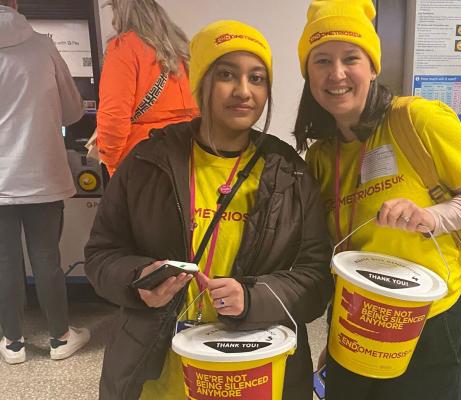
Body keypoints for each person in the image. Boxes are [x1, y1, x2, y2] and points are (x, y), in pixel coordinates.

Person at [84, 20, 333, 400]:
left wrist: (251, 299)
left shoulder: (289, 172)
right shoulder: (149, 162)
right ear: (201, 82)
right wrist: (139, 280)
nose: (243, 91)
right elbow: (101, 256)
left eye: (257, 78)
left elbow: (315, 278)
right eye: (226, 75)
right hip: (160, 375)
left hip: (255, 372)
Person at [293, 1, 461, 399]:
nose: (336, 74)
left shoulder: (418, 119)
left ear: (372, 67)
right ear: (308, 73)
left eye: (350, 58)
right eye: (321, 60)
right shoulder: (322, 156)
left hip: (432, 322)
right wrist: (336, 335)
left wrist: (430, 216)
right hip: (358, 321)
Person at [0, 0, 90, 365]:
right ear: (15, 4)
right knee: (47, 258)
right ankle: (60, 338)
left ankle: (12, 343)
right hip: (42, 174)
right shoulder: (43, 46)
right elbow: (72, 110)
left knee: (4, 262)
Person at [96, 0, 199, 175]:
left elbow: (114, 116)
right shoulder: (182, 49)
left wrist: (110, 161)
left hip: (143, 160)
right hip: (190, 153)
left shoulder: (123, 47)